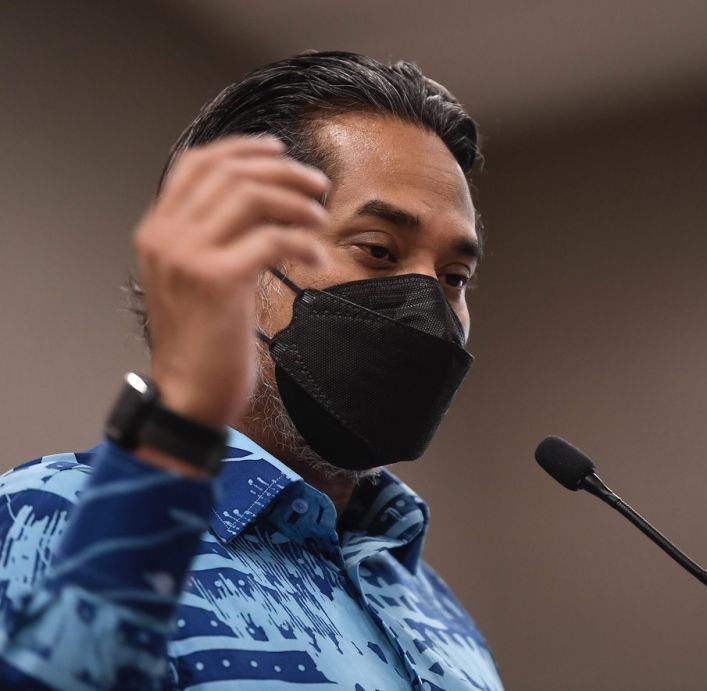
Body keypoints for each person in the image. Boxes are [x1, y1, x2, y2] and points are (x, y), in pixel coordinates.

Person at [0, 51, 503, 690]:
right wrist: (180, 419)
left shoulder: (437, 610)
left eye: (454, 278)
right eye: (378, 249)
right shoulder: (49, 518)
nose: (431, 308)